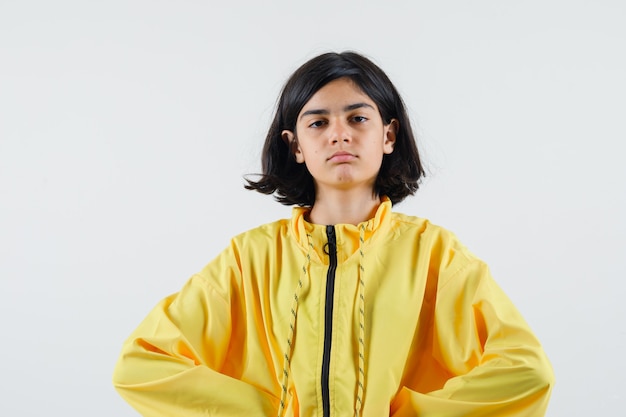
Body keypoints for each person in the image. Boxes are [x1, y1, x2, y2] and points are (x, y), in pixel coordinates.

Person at [113, 51, 554, 417]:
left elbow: (526, 372)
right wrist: (270, 412)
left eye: (358, 118)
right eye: (318, 122)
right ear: (296, 146)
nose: (339, 134)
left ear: (389, 134)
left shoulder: (434, 254)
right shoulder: (250, 258)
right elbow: (143, 364)